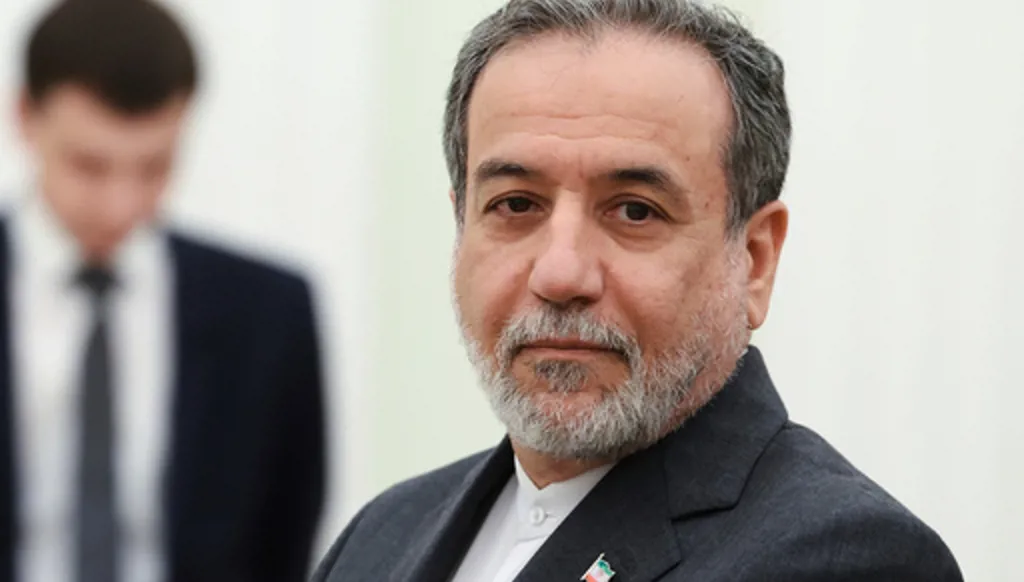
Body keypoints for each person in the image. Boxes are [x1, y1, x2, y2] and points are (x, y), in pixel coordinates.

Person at [314, 0, 963, 580]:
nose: (561, 274)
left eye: (635, 211)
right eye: (516, 204)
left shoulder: (847, 558)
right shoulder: (383, 534)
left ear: (755, 260)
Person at [0, 1, 326, 581]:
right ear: (25, 115)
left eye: (154, 167)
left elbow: (284, 541)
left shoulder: (267, 315)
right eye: (89, 166)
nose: (121, 206)